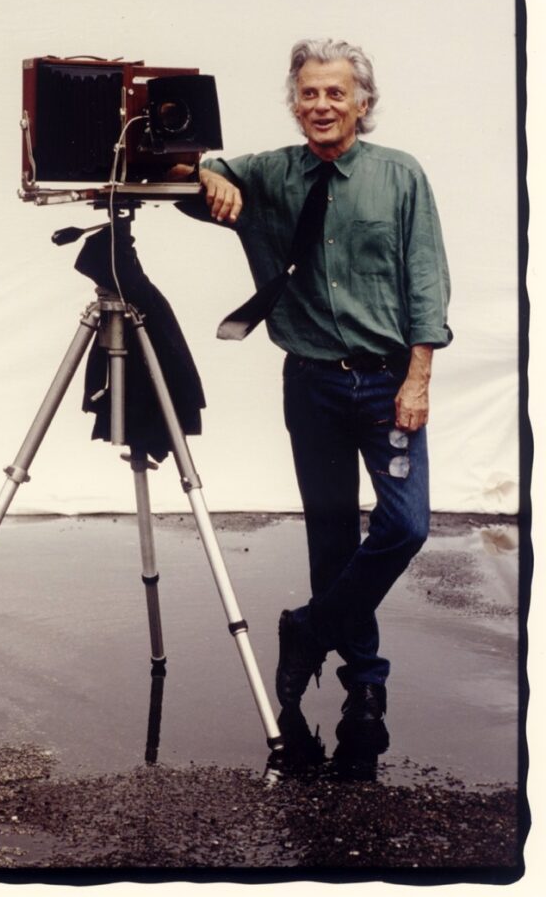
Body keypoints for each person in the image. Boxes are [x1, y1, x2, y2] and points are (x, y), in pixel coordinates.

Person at [194, 39, 452, 733]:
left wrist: (419, 378)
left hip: (387, 382)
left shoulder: (400, 176)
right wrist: (210, 172)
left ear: (362, 103)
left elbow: (425, 281)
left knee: (405, 525)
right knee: (331, 537)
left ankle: (308, 627)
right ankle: (363, 683)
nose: (321, 105)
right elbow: (192, 170)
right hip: (310, 385)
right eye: (308, 93)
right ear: (294, 102)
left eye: (336, 93)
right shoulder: (271, 175)